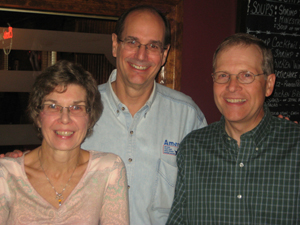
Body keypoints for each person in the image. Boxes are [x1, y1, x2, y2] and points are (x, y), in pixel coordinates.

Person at [0, 5, 207, 225]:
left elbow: (203, 196)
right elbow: (46, 167)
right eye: (132, 42)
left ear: (164, 54)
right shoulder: (79, 109)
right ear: (115, 45)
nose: (141, 54)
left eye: (153, 46)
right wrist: (18, 165)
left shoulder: (187, 117)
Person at [167, 33, 300, 225]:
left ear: (269, 84)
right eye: (223, 75)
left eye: (246, 75)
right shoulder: (192, 149)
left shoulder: (295, 149)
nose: (232, 86)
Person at [0, 60, 129, 224]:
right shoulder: (6, 175)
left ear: (90, 119)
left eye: (77, 107)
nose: (65, 118)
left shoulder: (108, 170)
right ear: (38, 116)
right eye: (53, 106)